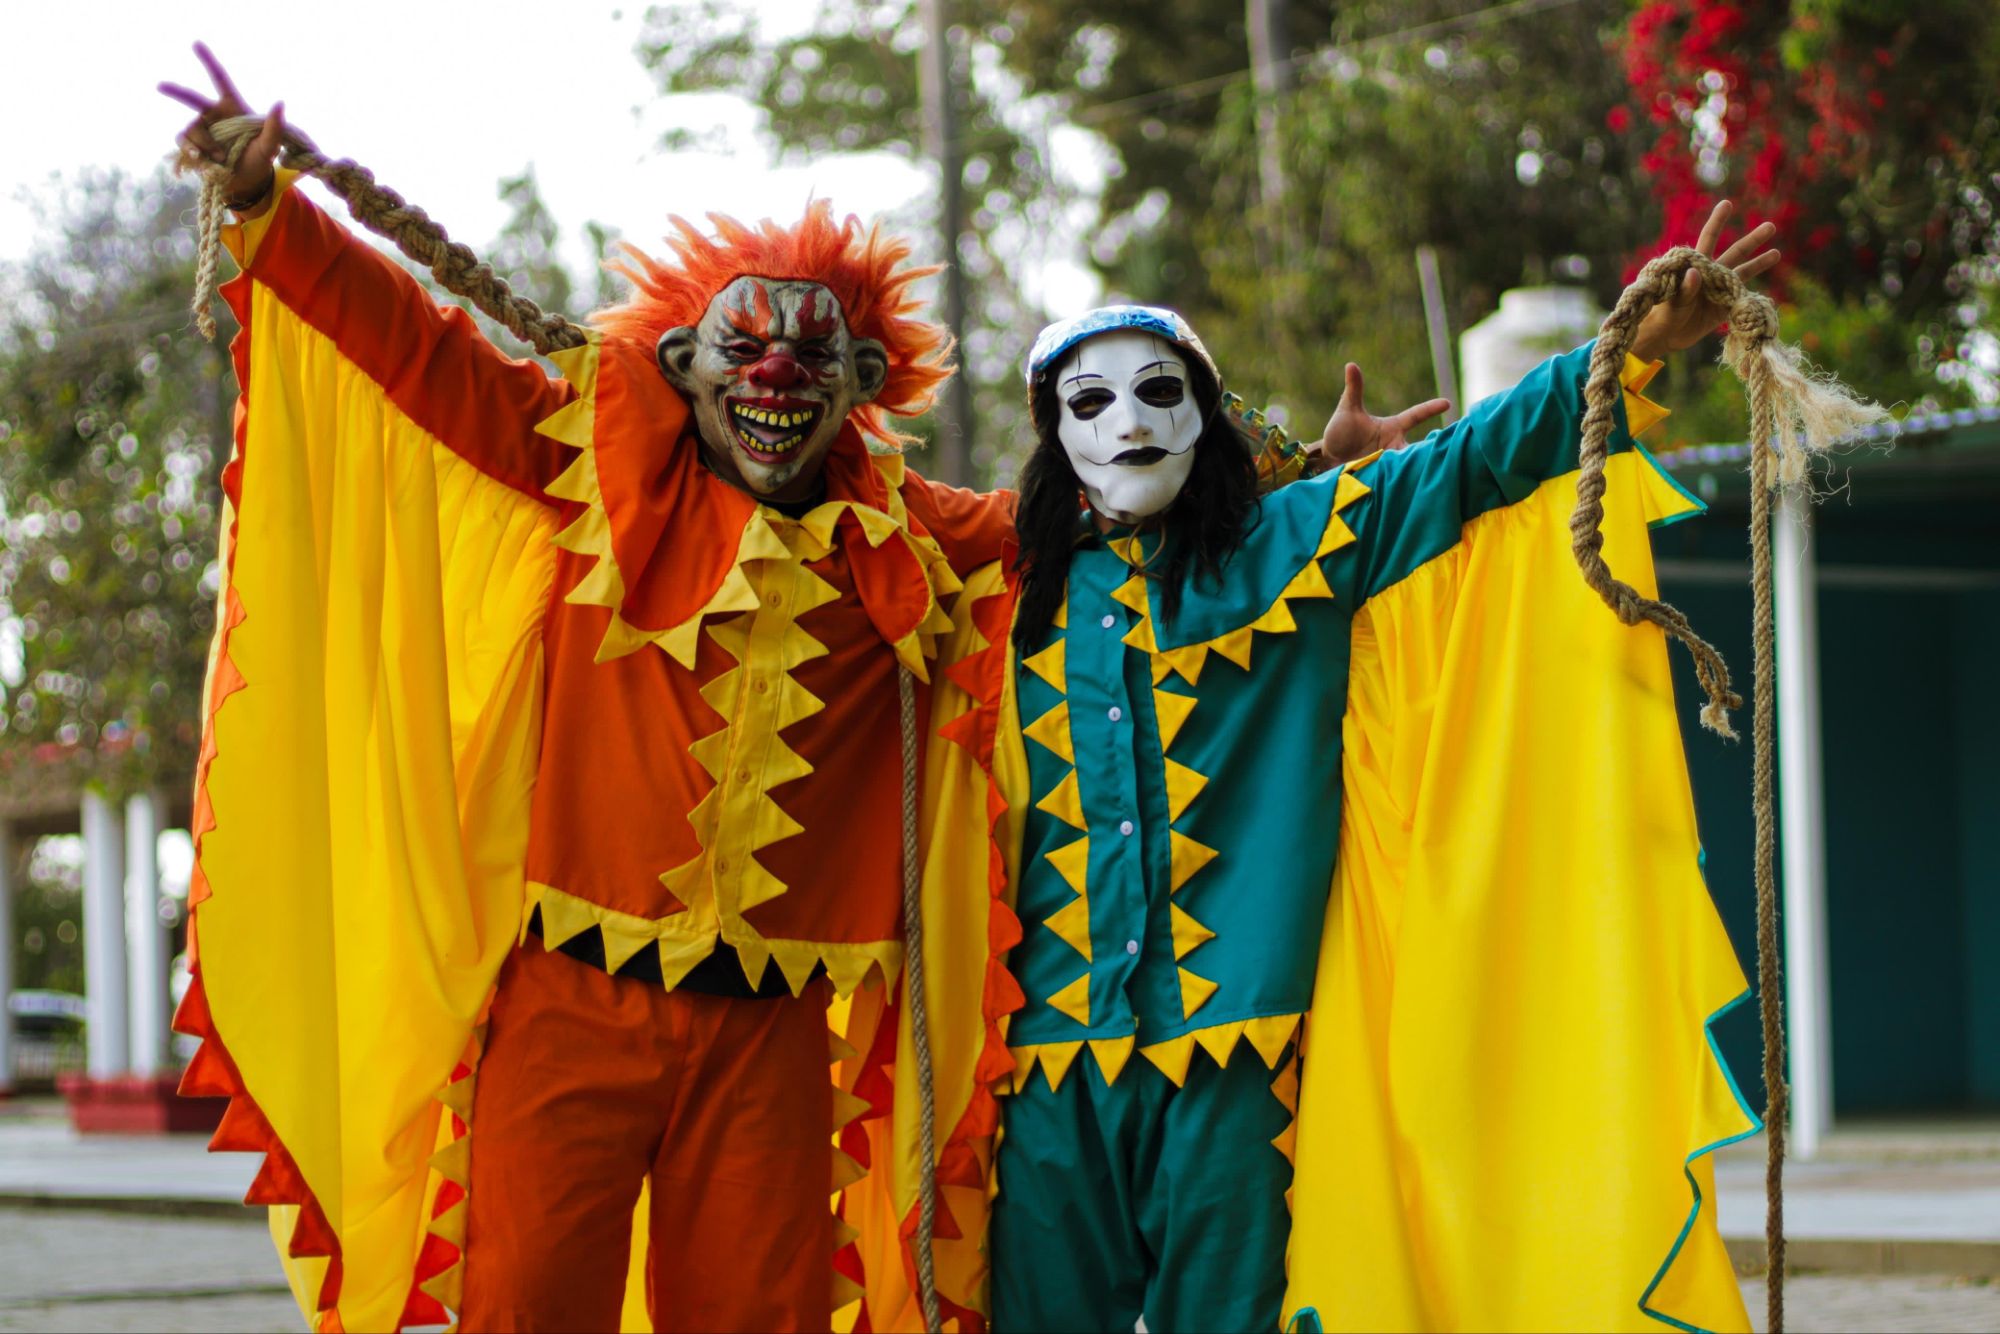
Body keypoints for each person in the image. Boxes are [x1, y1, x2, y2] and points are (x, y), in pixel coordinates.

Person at [156, 45, 1441, 1334]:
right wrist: (275, 216)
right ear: (683, 362)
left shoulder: (913, 534)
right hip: (568, 1003)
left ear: (864, 387)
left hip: (771, 1033)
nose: (776, 375)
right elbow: (431, 356)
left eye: (814, 356)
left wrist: (1292, 469)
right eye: (745, 347)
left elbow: (1099, 504)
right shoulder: (593, 467)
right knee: (526, 1305)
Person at [950, 203, 1781, 1334]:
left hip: (1242, 1064)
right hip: (1050, 1062)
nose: (1128, 421)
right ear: (1054, 434)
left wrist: (1624, 348)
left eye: (1159, 391)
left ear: (1204, 413)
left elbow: (1463, 466)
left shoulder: (1296, 542)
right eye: (1088, 402)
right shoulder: (1000, 589)